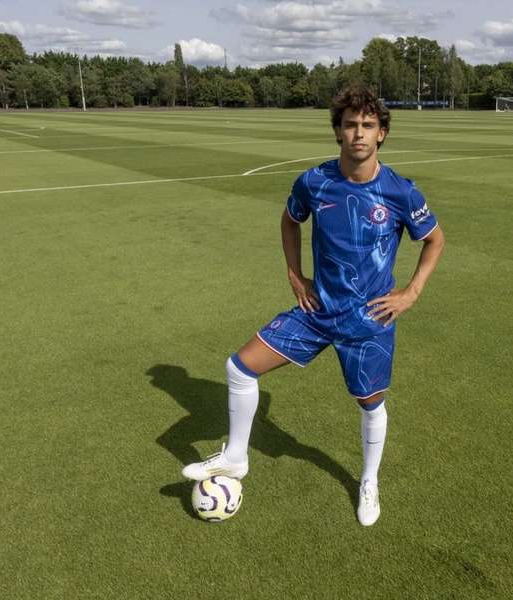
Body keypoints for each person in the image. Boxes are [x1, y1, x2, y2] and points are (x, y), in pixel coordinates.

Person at [182, 86, 445, 526]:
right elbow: (289, 219)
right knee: (240, 367)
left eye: (367, 126)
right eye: (349, 125)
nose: (358, 133)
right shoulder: (314, 181)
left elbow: (434, 240)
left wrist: (411, 292)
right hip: (318, 310)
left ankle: (368, 481)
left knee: (370, 405)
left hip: (369, 321)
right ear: (338, 132)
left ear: (381, 134)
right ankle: (236, 458)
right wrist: (293, 273)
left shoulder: (401, 192)